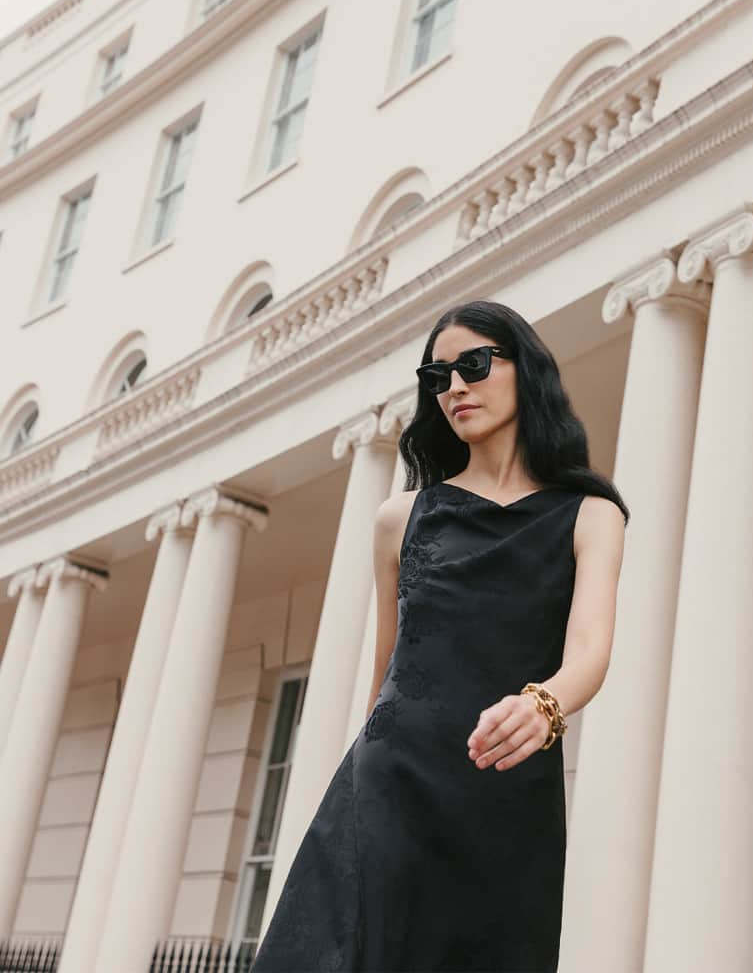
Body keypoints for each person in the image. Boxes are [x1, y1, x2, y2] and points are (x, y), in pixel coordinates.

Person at [251, 298, 629, 972]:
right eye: (439, 376)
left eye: (474, 365)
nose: (455, 387)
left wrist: (544, 706)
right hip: (391, 784)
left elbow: (591, 650)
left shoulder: (591, 515)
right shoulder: (399, 519)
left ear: (526, 371)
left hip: (508, 788)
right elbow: (387, 666)